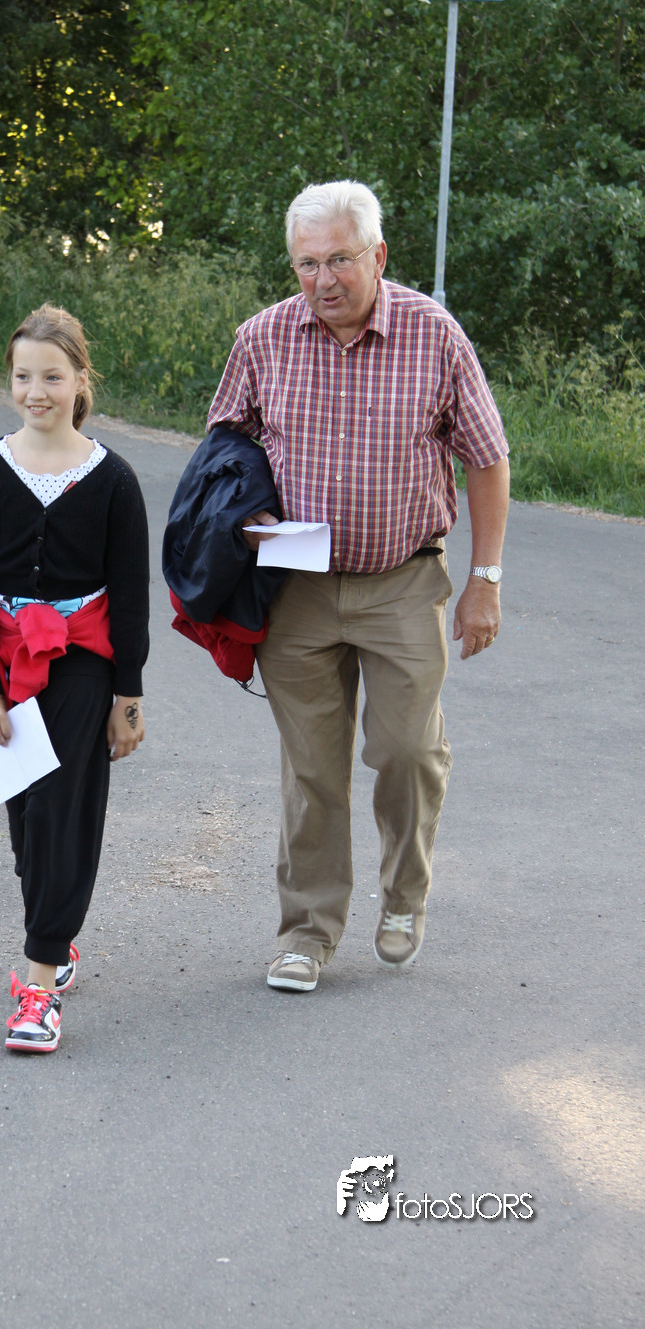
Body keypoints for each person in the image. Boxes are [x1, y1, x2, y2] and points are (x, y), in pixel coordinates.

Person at [206, 180, 509, 989]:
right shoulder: (262, 337)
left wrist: (485, 579)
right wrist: (239, 516)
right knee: (311, 767)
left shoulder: (433, 335)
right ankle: (307, 931)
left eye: (339, 259)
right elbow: (222, 448)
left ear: (378, 255)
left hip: (402, 580)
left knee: (407, 748)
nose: (323, 280)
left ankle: (404, 895)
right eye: (307, 263)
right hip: (296, 586)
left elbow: (487, 458)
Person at [0, 303, 149, 1051]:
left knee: (62, 808)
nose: (36, 391)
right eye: (23, 376)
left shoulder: (113, 480)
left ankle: (38, 990)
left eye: (53, 376)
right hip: (7, 661)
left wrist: (128, 695)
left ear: (80, 381)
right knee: (27, 820)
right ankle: (56, 935)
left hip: (83, 659)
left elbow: (129, 594)